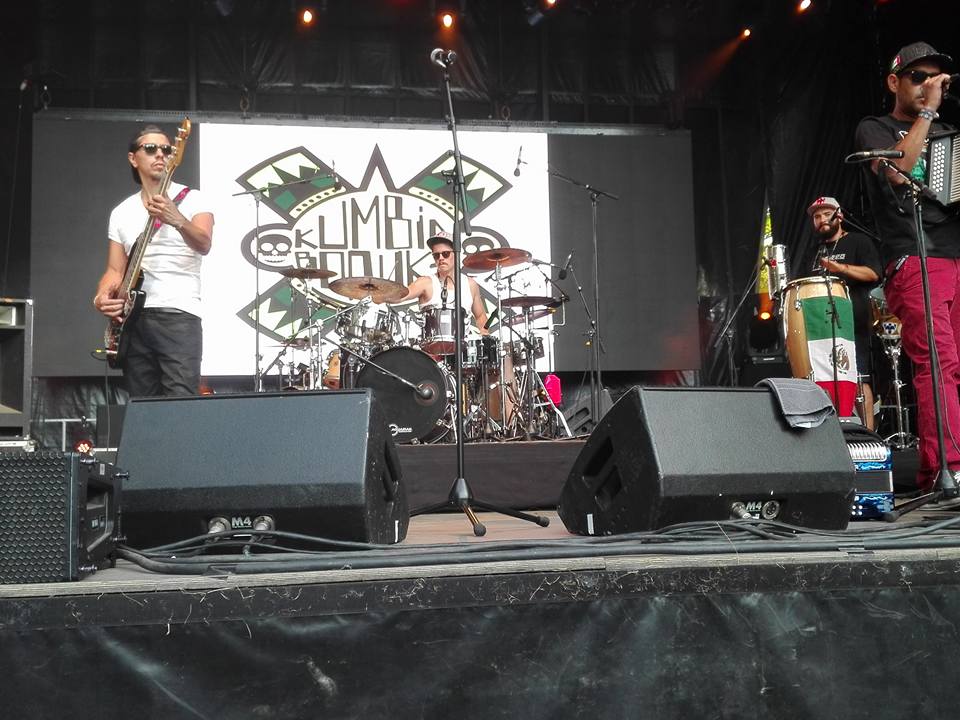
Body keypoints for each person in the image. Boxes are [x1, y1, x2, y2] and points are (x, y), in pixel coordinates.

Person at [854, 41, 960, 490]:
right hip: (915, 257)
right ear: (894, 82)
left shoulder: (950, 134)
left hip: (955, 255)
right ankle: (947, 467)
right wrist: (929, 112)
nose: (927, 85)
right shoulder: (874, 129)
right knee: (939, 362)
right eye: (918, 77)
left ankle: (941, 466)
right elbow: (899, 171)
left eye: (935, 79)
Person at [94, 124, 215, 397]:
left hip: (179, 314)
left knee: (181, 404)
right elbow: (114, 270)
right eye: (150, 148)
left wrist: (177, 219)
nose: (160, 154)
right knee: (143, 407)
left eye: (166, 149)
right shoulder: (122, 212)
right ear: (133, 158)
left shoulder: (195, 199)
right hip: (133, 319)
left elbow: (204, 243)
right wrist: (101, 296)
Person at [800, 196, 882, 429]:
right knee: (821, 381)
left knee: (858, 379)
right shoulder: (813, 251)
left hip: (851, 323)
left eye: (827, 214)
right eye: (817, 217)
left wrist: (840, 268)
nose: (821, 220)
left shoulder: (858, 241)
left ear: (840, 216)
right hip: (819, 327)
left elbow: (873, 273)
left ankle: (868, 435)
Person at [402, 230, 489, 332]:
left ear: (456, 254)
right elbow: (400, 295)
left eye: (445, 254)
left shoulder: (470, 284)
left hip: (463, 341)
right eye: (436, 255)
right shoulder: (424, 283)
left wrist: (485, 337)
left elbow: (481, 317)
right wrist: (386, 291)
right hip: (430, 341)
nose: (441, 258)